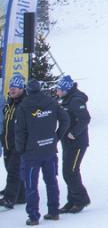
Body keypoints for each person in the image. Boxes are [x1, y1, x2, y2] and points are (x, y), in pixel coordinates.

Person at [15, 79, 69, 224]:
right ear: (40, 89)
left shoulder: (24, 106)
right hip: (49, 151)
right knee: (51, 182)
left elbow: (19, 131)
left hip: (31, 153)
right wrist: (55, 137)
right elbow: (65, 120)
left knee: (31, 185)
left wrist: (21, 149)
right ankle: (54, 211)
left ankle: (33, 217)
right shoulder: (51, 102)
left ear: (27, 90)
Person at [55, 76, 90, 214]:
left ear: (66, 90)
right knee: (68, 171)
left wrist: (73, 133)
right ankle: (72, 200)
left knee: (70, 172)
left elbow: (85, 118)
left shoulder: (75, 100)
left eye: (59, 89)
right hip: (67, 142)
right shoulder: (66, 99)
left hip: (77, 143)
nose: (57, 91)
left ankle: (81, 200)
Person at [0, 75, 26, 209]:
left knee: (13, 171)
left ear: (22, 88)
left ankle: (9, 199)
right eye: (11, 87)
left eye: (15, 87)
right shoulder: (10, 102)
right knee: (9, 168)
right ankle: (21, 195)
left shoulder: (24, 104)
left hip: (18, 144)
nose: (12, 90)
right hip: (7, 143)